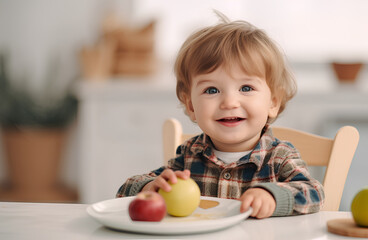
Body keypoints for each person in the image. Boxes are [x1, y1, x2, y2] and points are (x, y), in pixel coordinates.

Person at [116, 13, 324, 219]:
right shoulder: (189, 155)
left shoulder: (279, 157)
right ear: (191, 106)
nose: (229, 103)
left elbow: (314, 192)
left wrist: (273, 196)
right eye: (212, 90)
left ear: (273, 102)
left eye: (246, 87)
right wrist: (151, 187)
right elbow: (125, 191)